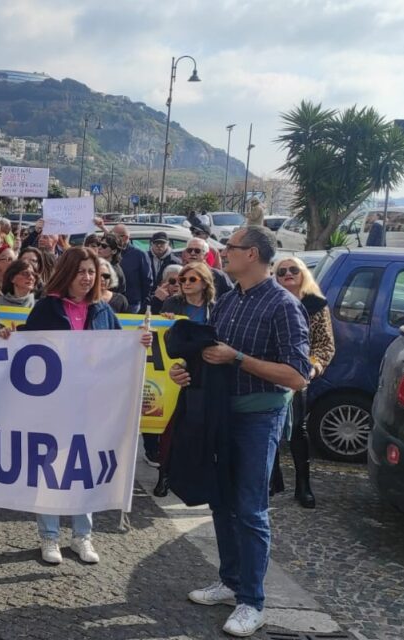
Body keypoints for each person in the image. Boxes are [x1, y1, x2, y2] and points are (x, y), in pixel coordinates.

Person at [170, 226, 311, 638]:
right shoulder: (228, 301)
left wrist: (239, 359)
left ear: (251, 254)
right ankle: (230, 581)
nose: (222, 253)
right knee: (221, 501)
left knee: (250, 509)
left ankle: (253, 601)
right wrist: (188, 372)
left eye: (229, 248)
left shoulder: (284, 306)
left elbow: (297, 376)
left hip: (258, 419)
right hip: (220, 414)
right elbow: (212, 359)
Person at [0, 247, 152, 564]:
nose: (87, 277)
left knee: (84, 469)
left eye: (92, 272)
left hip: (91, 407)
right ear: (68, 273)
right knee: (50, 469)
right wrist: (5, 338)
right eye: (81, 271)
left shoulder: (103, 312)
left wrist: (137, 343)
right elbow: (27, 347)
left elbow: (117, 350)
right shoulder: (46, 309)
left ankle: (82, 536)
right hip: (52, 405)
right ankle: (50, 536)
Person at [269, 256, 334, 509]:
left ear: (303, 273)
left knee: (297, 430)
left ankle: (303, 486)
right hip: (270, 372)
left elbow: (325, 344)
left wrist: (314, 367)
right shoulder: (271, 301)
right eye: (281, 271)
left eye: (293, 270)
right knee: (270, 426)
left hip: (298, 374)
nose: (287, 274)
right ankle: (271, 482)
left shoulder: (316, 304)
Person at [152, 262, 217, 497]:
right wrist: (165, 320)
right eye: (182, 280)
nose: (186, 284)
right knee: (172, 426)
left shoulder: (215, 308)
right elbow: (161, 335)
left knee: (201, 426)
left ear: (205, 282)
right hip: (173, 369)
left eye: (192, 279)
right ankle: (164, 475)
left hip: (205, 372)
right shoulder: (172, 304)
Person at [109, 224, 152, 313]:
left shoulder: (139, 255)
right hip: (112, 302)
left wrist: (142, 301)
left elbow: (147, 281)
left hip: (132, 304)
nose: (111, 239)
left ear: (125, 237)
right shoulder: (110, 252)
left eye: (114, 236)